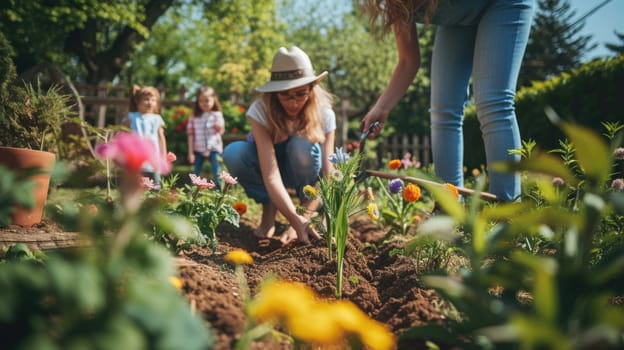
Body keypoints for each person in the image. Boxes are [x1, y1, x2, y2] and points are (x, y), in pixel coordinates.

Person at [360, 0, 535, 202]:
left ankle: (507, 213)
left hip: (502, 4)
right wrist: (381, 107)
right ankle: (449, 210)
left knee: (493, 103)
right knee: (442, 112)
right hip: (458, 18)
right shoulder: (397, 4)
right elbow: (408, 61)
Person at [223, 46, 336, 245]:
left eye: (301, 93)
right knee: (234, 153)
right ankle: (269, 209)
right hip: (271, 169)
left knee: (301, 145)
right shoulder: (260, 111)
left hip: (304, 174)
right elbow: (271, 174)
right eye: (285, 95)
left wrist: (304, 219)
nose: (293, 102)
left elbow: (328, 175)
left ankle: (304, 210)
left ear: (311, 89)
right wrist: (294, 220)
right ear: (274, 93)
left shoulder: (324, 114)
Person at [123, 85, 168, 188]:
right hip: (136, 156)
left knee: (156, 182)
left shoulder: (157, 118)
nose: (150, 102)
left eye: (153, 100)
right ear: (137, 101)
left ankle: (156, 199)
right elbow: (123, 133)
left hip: (153, 156)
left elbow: (161, 138)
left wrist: (163, 155)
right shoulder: (132, 117)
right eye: (146, 99)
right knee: (136, 182)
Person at [187, 86, 225, 187]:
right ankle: (192, 195)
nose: (204, 103)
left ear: (214, 100)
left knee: (217, 173)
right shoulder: (194, 117)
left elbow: (221, 130)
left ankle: (220, 193)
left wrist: (218, 126)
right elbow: (190, 135)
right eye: (201, 101)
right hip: (198, 149)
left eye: (207, 100)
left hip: (214, 148)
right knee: (195, 174)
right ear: (197, 102)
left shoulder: (217, 115)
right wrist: (191, 153)